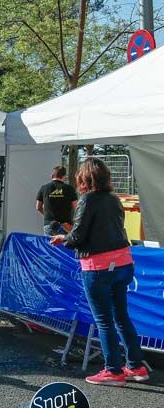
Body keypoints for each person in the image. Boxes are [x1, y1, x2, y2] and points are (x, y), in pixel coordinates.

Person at [51, 158, 150, 386]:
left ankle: (113, 370)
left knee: (104, 321)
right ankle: (136, 366)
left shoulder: (87, 200)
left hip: (98, 267)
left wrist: (63, 238)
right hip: (123, 262)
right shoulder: (114, 200)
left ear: (84, 179)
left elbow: (78, 236)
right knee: (122, 317)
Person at [36, 166, 78, 235]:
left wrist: (48, 216)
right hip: (66, 225)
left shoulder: (44, 188)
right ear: (64, 177)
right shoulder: (69, 189)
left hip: (49, 225)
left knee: (49, 245)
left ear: (52, 176)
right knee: (64, 245)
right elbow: (76, 207)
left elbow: (38, 207)